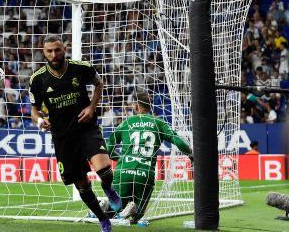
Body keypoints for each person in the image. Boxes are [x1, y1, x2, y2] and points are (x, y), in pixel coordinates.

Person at [29, 35, 121, 232]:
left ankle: (107, 187)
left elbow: (99, 84)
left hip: (85, 128)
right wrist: (39, 120)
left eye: (57, 50)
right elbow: (34, 110)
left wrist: (91, 107)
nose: (54, 54)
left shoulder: (82, 68)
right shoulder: (37, 79)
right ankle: (103, 218)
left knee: (104, 169)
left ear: (64, 49)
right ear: (44, 53)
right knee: (82, 185)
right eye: (49, 51)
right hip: (62, 137)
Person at [106, 92, 193, 224]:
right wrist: (191, 154)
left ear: (136, 107)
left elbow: (108, 150)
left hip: (123, 171)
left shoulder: (126, 123)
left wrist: (122, 159)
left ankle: (105, 208)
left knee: (115, 209)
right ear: (150, 107)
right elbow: (179, 142)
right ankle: (134, 211)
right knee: (138, 216)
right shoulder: (159, 123)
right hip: (145, 173)